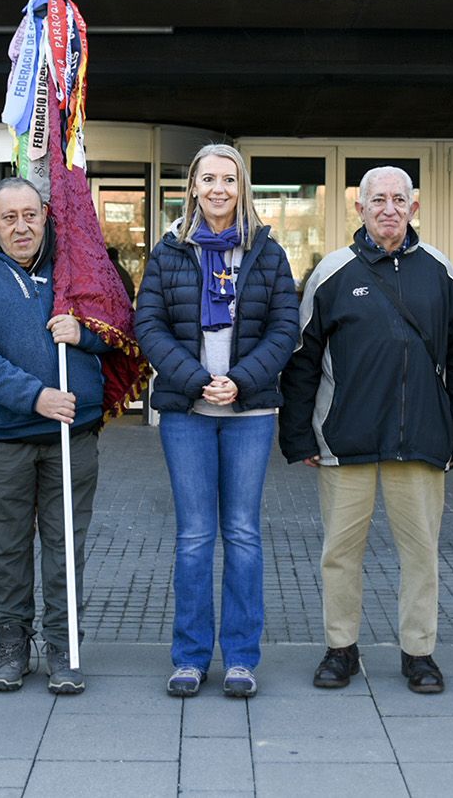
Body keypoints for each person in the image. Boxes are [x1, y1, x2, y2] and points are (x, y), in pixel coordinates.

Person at [280, 166, 453, 694]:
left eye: (399, 200)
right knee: (339, 554)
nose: (389, 209)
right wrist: (299, 436)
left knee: (421, 556)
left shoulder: (441, 272)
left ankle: (419, 654)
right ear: (360, 208)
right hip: (345, 442)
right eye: (378, 200)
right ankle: (340, 649)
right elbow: (302, 361)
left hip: (421, 441)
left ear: (414, 209)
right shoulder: (332, 273)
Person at [135, 144, 300, 699]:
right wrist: (194, 379)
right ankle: (188, 658)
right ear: (193, 186)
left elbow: (285, 328)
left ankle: (242, 659)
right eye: (208, 179)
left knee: (244, 534)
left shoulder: (268, 252)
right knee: (195, 537)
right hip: (188, 412)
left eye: (228, 179)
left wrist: (241, 380)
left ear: (242, 186)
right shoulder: (168, 250)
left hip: (250, 412)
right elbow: (149, 324)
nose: (219, 189)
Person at [0, 177, 107, 696]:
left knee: (65, 547)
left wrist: (85, 335)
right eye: (9, 217)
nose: (21, 226)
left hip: (70, 436)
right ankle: (12, 647)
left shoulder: (76, 270)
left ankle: (64, 649)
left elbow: (123, 323)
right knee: (9, 547)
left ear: (46, 217)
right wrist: (35, 396)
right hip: (5, 437)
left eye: (30, 215)